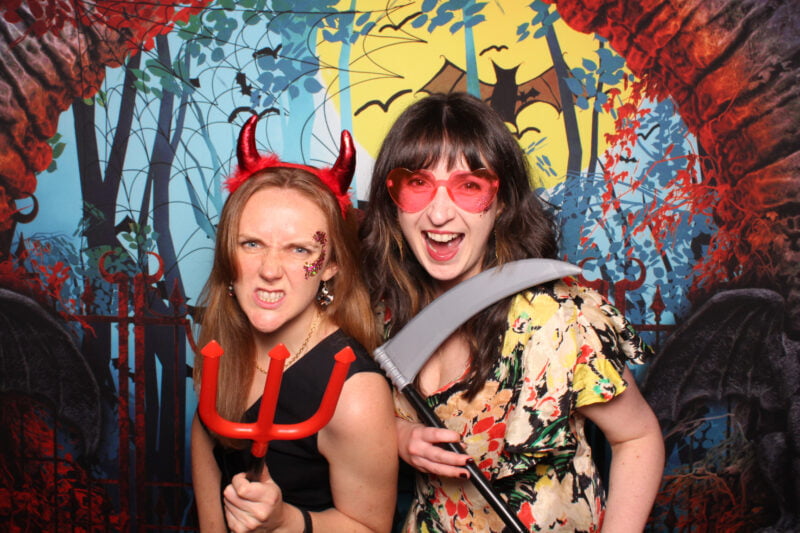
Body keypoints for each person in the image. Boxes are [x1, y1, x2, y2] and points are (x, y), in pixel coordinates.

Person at [360, 92, 665, 532]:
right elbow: (345, 418)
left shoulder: (559, 318)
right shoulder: (381, 313)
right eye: (418, 184)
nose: (439, 213)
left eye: (470, 186)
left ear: (501, 202)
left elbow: (637, 437)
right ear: (393, 200)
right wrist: (400, 435)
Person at [191, 115, 398, 533]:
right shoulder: (224, 346)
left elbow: (372, 529)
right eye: (252, 244)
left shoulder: (354, 393)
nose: (270, 270)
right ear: (228, 254)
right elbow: (208, 464)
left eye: (299, 250)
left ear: (331, 265)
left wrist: (285, 521)